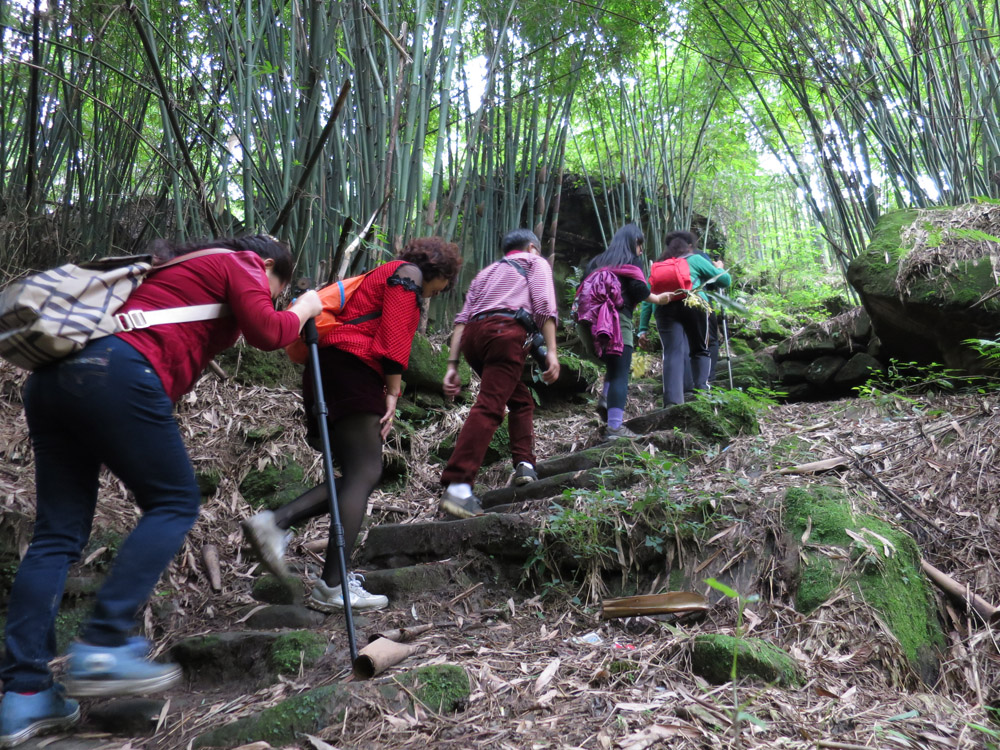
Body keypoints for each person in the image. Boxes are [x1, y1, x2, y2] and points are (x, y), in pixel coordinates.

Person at [0, 234, 323, 748]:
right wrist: (305, 307)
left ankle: (24, 695)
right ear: (266, 265)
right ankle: (104, 643)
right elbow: (268, 330)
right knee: (175, 502)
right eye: (275, 290)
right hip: (115, 370)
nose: (272, 299)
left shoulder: (171, 271)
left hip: (53, 379)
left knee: (56, 536)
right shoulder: (238, 261)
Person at [241, 237, 462, 613]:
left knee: (357, 474)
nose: (439, 292)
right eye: (444, 284)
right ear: (437, 270)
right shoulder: (407, 274)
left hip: (330, 369)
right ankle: (331, 583)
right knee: (367, 471)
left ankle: (277, 525)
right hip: (352, 368)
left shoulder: (380, 275)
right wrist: (393, 391)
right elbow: (393, 337)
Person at [438, 229, 560, 519]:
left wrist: (452, 365)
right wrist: (552, 352)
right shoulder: (535, 262)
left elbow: (461, 320)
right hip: (505, 333)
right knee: (490, 405)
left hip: (473, 339)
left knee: (520, 400)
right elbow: (544, 306)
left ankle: (525, 465)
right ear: (532, 248)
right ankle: (458, 487)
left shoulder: (485, 273)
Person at [576, 224, 660, 439]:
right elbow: (639, 291)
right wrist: (659, 298)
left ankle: (606, 398)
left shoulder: (596, 261)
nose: (641, 250)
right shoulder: (631, 261)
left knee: (613, 365)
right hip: (617, 321)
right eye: (640, 245)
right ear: (635, 242)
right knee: (621, 372)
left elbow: (582, 288)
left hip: (591, 323)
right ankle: (615, 427)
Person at [641, 231, 731, 406]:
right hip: (693, 304)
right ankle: (702, 393)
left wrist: (642, 329)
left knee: (671, 352)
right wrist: (719, 267)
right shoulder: (695, 259)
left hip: (664, 308)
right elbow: (725, 280)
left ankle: (672, 401)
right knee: (700, 349)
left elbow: (647, 299)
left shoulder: (658, 266)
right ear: (690, 246)